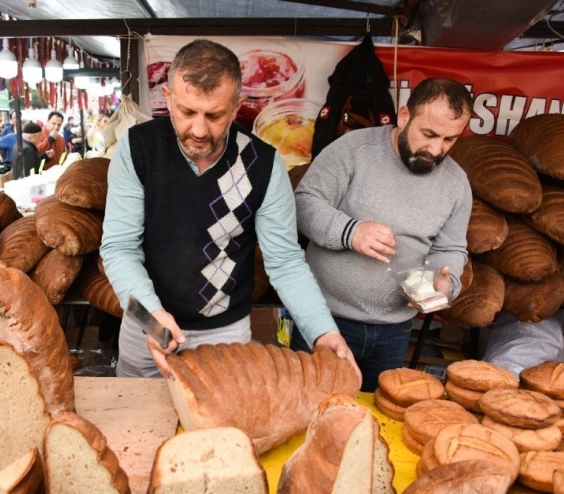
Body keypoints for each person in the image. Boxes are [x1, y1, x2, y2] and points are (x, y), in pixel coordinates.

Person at [100, 39, 360, 382]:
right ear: (167, 97)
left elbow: (284, 262)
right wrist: (151, 316)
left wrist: (323, 331)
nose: (198, 130)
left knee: (222, 427)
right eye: (187, 112)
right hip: (146, 323)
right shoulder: (136, 150)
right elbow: (118, 248)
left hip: (225, 333)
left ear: (236, 107)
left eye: (214, 115)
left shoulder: (265, 165)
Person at [292, 78, 474, 392]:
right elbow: (303, 205)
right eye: (428, 134)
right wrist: (351, 231)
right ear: (404, 115)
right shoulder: (353, 150)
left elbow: (452, 248)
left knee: (378, 420)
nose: (435, 149)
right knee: (308, 405)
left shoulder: (457, 184)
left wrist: (447, 285)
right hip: (323, 319)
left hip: (395, 330)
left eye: (449, 139)